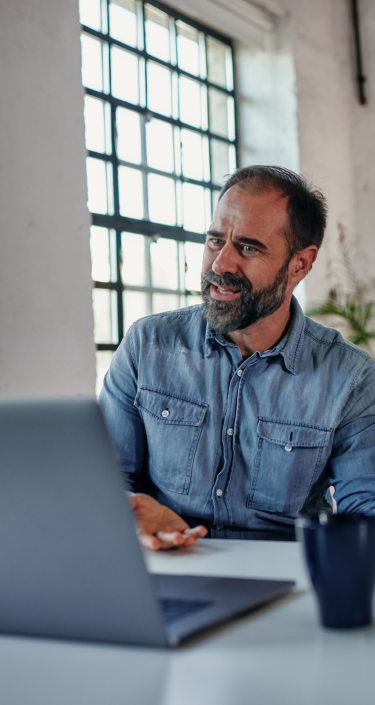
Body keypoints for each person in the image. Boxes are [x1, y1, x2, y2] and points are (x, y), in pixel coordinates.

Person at [99, 166, 375, 550]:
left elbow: (366, 515)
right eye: (215, 241)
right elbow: (105, 482)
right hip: (169, 566)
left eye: (248, 247)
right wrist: (133, 517)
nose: (220, 264)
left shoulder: (351, 378)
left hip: (285, 580)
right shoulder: (147, 345)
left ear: (300, 264)